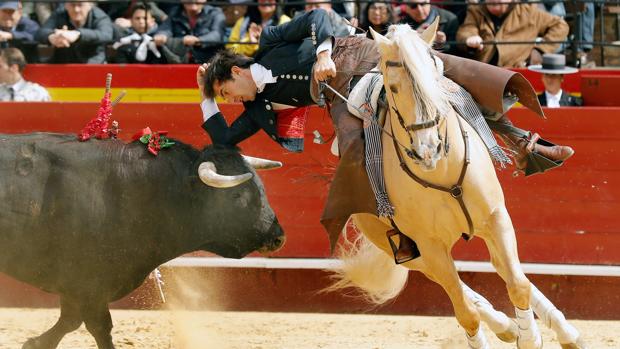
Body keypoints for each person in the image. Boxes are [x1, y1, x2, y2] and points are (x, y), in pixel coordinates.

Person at [199, 10, 574, 261]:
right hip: (340, 98)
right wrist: (204, 95)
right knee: (351, 150)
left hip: (357, 55)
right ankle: (396, 227)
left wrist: (323, 54)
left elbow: (320, 15)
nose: (231, 102)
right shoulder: (257, 110)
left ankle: (526, 143)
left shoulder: (268, 39)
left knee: (446, 80)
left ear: (232, 73)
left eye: (225, 94)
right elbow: (223, 139)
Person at [456, 0, 569, 68]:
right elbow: (467, 29)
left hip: (515, 74)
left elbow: (561, 26)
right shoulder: (476, 10)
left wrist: (540, 50)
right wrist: (470, 38)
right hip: (482, 72)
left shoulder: (528, 12)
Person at [35, 1, 113, 64]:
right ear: (66, 5)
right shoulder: (59, 13)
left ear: (90, 5)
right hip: (63, 65)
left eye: (80, 5)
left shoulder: (100, 16)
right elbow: (40, 32)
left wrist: (78, 34)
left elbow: (106, 34)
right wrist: (52, 37)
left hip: (93, 65)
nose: (76, 10)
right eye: (72, 5)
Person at [154, 0, 226, 63]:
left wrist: (198, 40)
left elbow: (217, 35)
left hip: (208, 63)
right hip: (178, 61)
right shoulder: (174, 12)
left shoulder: (216, 13)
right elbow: (165, 29)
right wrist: (162, 35)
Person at [226, 0, 291, 57]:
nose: (266, 1)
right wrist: (249, 42)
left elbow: (287, 52)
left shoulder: (285, 21)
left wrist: (263, 41)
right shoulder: (242, 22)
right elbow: (229, 50)